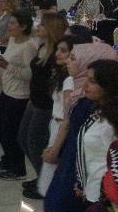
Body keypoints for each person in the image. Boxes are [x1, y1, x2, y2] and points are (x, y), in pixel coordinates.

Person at [44, 43, 118, 212]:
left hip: (103, 195)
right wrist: (82, 182)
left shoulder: (111, 121)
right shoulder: (95, 110)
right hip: (88, 187)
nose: (85, 86)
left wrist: (105, 194)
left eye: (92, 82)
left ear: (108, 84)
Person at [17, 13, 69, 197]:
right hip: (34, 100)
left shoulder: (56, 54)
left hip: (45, 105)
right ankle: (41, 176)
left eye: (43, 25)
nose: (38, 27)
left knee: (34, 141)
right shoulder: (42, 47)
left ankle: (46, 181)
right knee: (23, 138)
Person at [37, 35, 90, 198]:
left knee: (50, 181)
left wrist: (55, 149)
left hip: (60, 130)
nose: (58, 54)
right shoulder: (65, 76)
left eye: (64, 51)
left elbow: (67, 118)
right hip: (57, 127)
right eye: (58, 49)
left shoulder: (70, 80)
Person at [0, 10, 38, 180]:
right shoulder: (12, 40)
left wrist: (7, 66)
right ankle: (8, 159)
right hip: (7, 90)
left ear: (23, 26)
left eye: (12, 23)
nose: (9, 26)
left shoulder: (29, 46)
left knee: (10, 131)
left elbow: (30, 74)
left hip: (19, 95)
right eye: (9, 23)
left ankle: (18, 168)